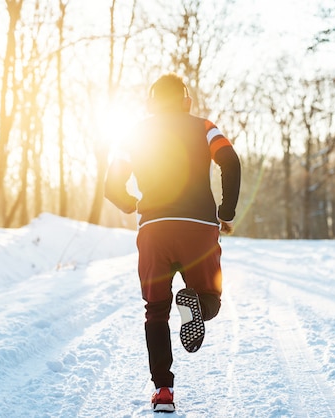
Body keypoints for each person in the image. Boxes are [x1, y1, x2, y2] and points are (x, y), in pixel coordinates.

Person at [104, 73, 241, 412]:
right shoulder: (204, 126)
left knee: (156, 311)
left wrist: (129, 202)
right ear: (185, 101)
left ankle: (163, 392)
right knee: (212, 299)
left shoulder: (135, 133)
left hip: (155, 229)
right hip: (198, 227)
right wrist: (226, 209)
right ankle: (196, 301)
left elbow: (111, 184)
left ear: (151, 103)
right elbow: (230, 161)